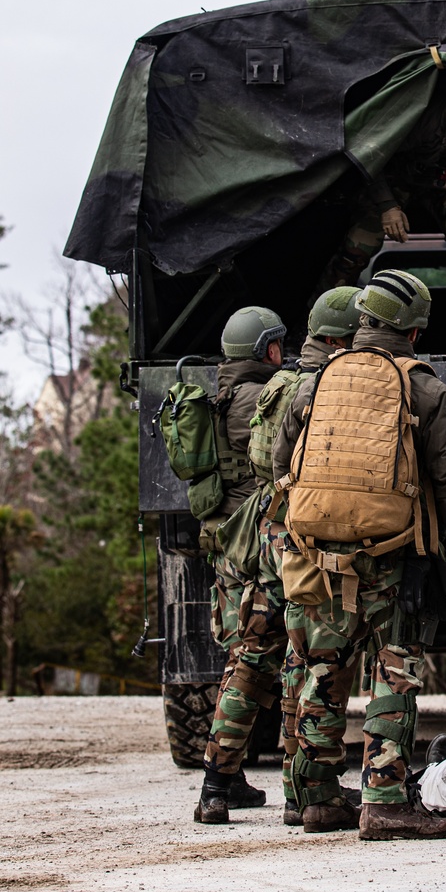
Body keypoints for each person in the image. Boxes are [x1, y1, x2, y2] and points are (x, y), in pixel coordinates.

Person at [269, 283, 446, 831]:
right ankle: (385, 801)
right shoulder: (422, 386)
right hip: (393, 560)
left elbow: (282, 462)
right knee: (393, 676)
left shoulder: (318, 381)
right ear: (416, 331)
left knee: (323, 672)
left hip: (318, 560)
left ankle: (317, 797)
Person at [327, 81, 446, 352]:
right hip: (399, 180)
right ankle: (320, 322)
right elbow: (373, 152)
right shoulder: (433, 116)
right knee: (360, 241)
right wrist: (387, 206)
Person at [194, 304, 287, 824]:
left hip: (227, 548)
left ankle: (230, 779)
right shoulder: (261, 398)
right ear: (266, 350)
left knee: (240, 659)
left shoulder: (218, 395)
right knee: (254, 664)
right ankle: (214, 787)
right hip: (258, 552)